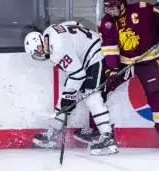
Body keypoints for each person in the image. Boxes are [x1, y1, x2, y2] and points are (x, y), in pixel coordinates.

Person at [97, 0, 159, 150]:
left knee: (155, 95)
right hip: (124, 62)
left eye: (113, 7)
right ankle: (97, 130)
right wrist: (112, 71)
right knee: (100, 90)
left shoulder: (141, 9)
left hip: (148, 59)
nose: (110, 10)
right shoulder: (106, 23)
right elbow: (110, 48)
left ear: (123, 4)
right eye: (108, 7)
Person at [23, 21, 118, 156]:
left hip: (96, 55)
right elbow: (75, 23)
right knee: (65, 96)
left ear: (40, 44)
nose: (39, 56)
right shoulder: (50, 31)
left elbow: (78, 74)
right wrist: (68, 96)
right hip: (86, 56)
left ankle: (108, 138)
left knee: (92, 97)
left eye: (37, 53)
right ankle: (53, 132)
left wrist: (69, 96)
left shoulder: (57, 50)